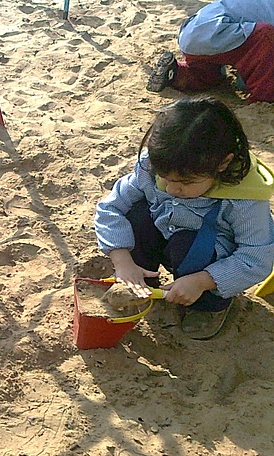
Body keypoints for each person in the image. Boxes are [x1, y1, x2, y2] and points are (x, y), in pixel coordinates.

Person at [94, 97, 274, 340]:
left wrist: (202, 281)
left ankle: (208, 306)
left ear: (223, 164)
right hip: (164, 230)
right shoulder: (155, 165)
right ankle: (142, 283)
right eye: (165, 178)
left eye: (185, 183)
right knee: (136, 213)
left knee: (189, 245)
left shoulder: (245, 199)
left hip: (206, 258)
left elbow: (257, 257)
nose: (170, 189)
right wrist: (122, 261)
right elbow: (111, 207)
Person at [147, 1, 274, 103]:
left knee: (206, 75)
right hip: (217, 32)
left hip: (190, 35)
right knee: (266, 38)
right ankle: (262, 98)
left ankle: (177, 73)